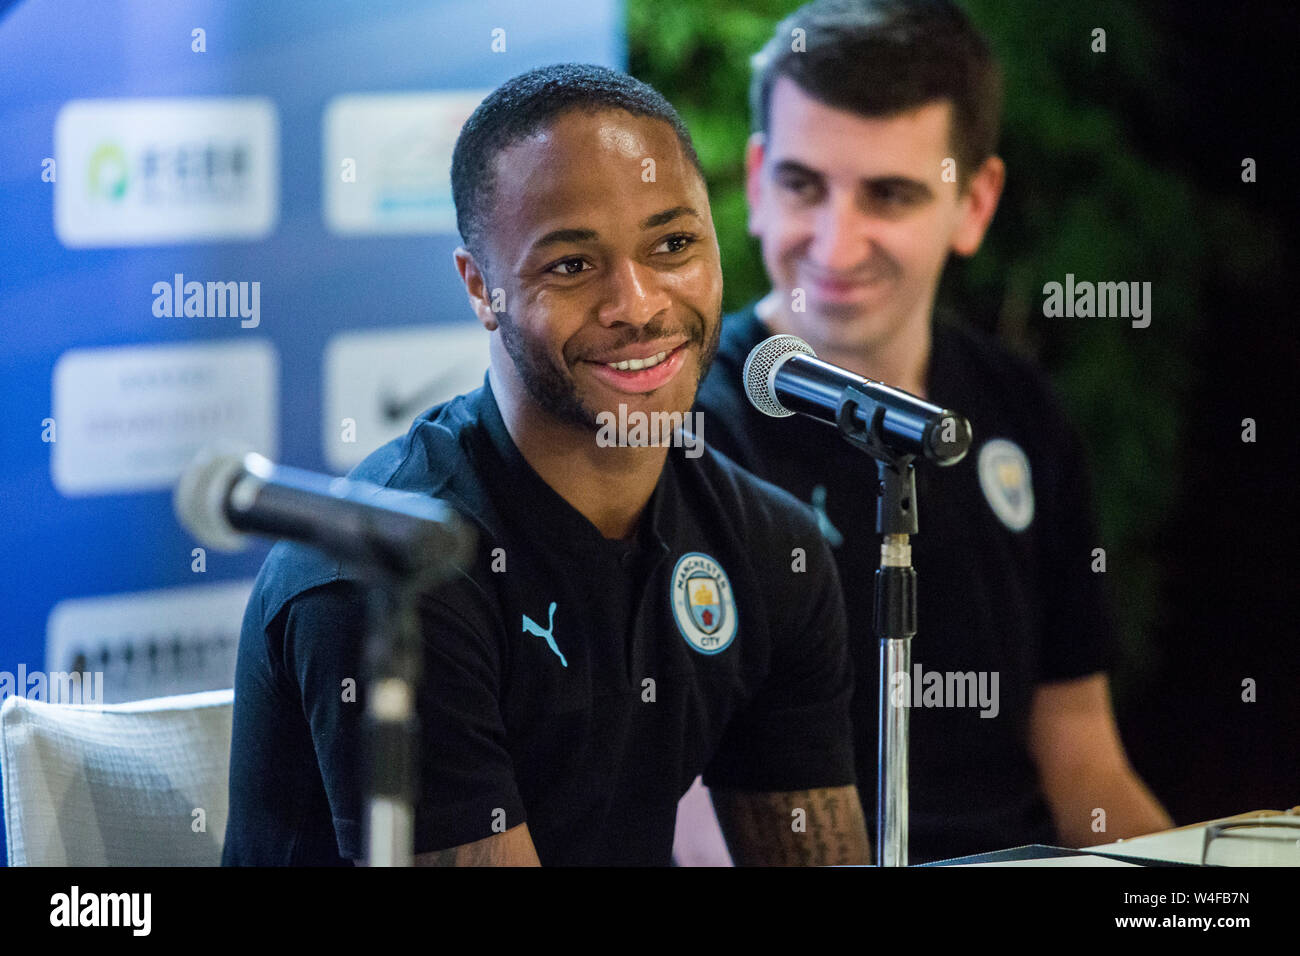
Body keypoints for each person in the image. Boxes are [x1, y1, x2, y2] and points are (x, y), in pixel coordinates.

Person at [222, 63, 870, 866]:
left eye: (672, 245)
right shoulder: (387, 580)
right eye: (571, 265)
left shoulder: (774, 550)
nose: (637, 304)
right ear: (479, 287)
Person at [690, 0, 1172, 863]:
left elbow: (1085, 764)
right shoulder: (686, 427)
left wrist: (1189, 897)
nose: (836, 246)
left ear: (975, 202)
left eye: (889, 195)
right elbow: (687, 823)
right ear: (757, 182)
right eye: (804, 185)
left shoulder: (1018, 404)